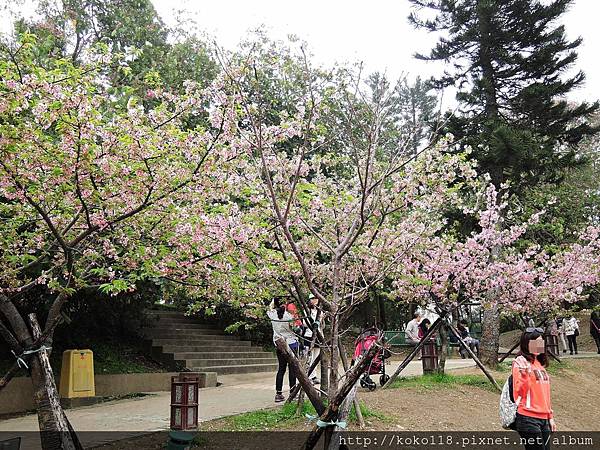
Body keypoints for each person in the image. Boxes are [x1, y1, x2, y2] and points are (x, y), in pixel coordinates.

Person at [512, 328, 556, 450]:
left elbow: (545, 394)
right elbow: (519, 393)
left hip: (544, 419)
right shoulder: (520, 363)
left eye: (541, 342)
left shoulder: (539, 364)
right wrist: (525, 375)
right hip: (527, 418)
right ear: (527, 344)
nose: (539, 345)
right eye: (535, 342)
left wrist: (550, 417)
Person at [267, 297, 299, 403]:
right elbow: (296, 328)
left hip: (279, 344)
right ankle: (292, 392)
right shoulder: (289, 316)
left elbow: (270, 307)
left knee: (281, 369)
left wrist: (274, 303)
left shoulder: (271, 314)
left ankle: (278, 393)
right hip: (291, 343)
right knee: (292, 369)